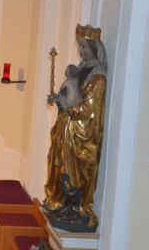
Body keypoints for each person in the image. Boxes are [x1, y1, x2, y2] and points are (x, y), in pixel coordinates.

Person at [43, 24, 107, 232]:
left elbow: (89, 108)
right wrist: (59, 99)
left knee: (74, 172)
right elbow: (70, 94)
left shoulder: (98, 78)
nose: (80, 51)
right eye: (80, 47)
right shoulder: (81, 69)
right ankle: (61, 203)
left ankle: (75, 208)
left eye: (84, 47)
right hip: (66, 128)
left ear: (95, 49)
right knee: (57, 163)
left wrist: (67, 106)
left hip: (79, 135)